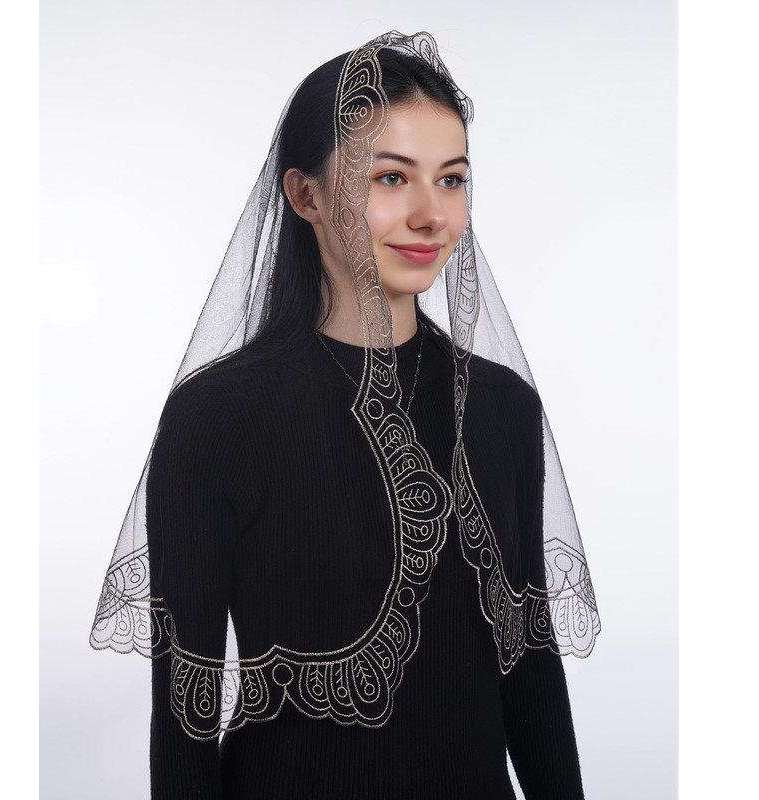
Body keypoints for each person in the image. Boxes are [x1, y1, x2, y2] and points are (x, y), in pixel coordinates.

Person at [90, 31, 600, 799]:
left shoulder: (501, 408)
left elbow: (529, 673)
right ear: (306, 195)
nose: (431, 215)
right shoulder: (217, 419)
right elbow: (184, 719)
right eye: (392, 177)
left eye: (451, 180)